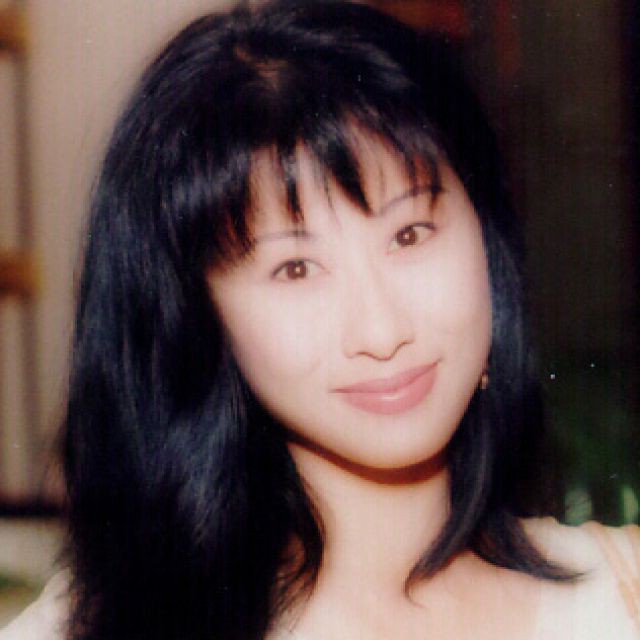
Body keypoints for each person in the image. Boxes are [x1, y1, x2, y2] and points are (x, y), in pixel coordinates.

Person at [2, 1, 639, 638]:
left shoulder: (621, 594)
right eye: (296, 269)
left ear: (486, 236)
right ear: (198, 315)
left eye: (410, 234)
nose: (382, 332)